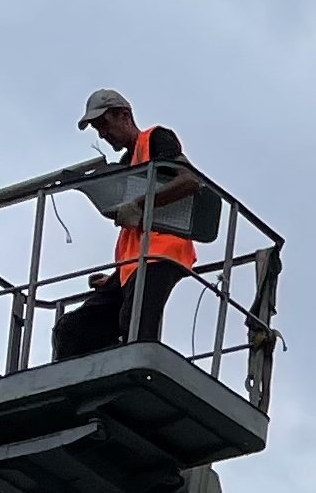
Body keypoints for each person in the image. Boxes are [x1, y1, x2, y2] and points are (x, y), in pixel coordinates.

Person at [50, 89, 208, 358]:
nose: (102, 134)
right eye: (97, 129)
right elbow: (131, 223)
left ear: (124, 115)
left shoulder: (156, 139)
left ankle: (133, 376)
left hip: (161, 253)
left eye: (104, 125)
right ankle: (89, 390)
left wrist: (139, 205)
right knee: (71, 330)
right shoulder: (127, 163)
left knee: (135, 326)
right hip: (132, 264)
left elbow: (190, 180)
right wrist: (114, 277)